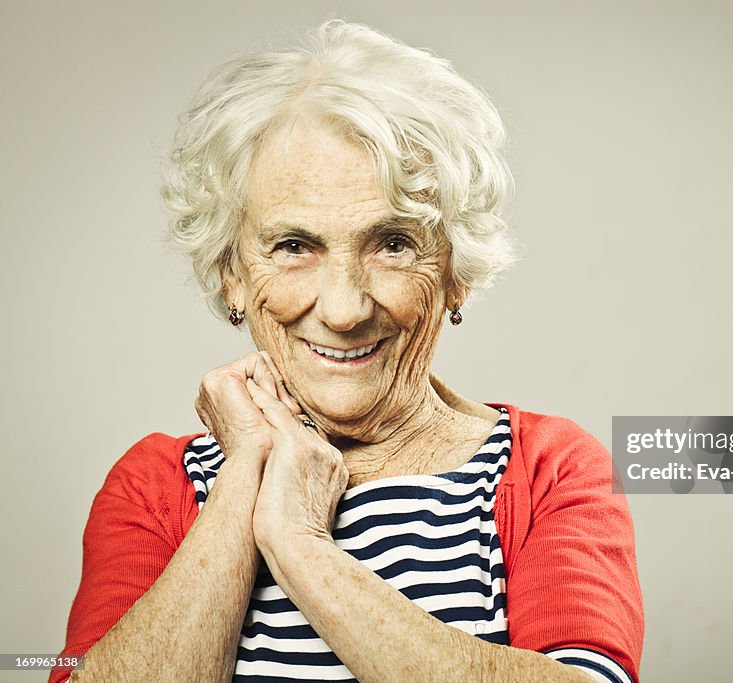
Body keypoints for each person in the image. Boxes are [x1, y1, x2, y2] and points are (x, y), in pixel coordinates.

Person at [51, 20, 643, 683]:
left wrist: (302, 546)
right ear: (232, 273)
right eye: (294, 246)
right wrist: (245, 472)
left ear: (457, 270)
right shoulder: (154, 486)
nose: (344, 308)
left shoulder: (550, 469)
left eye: (392, 242)